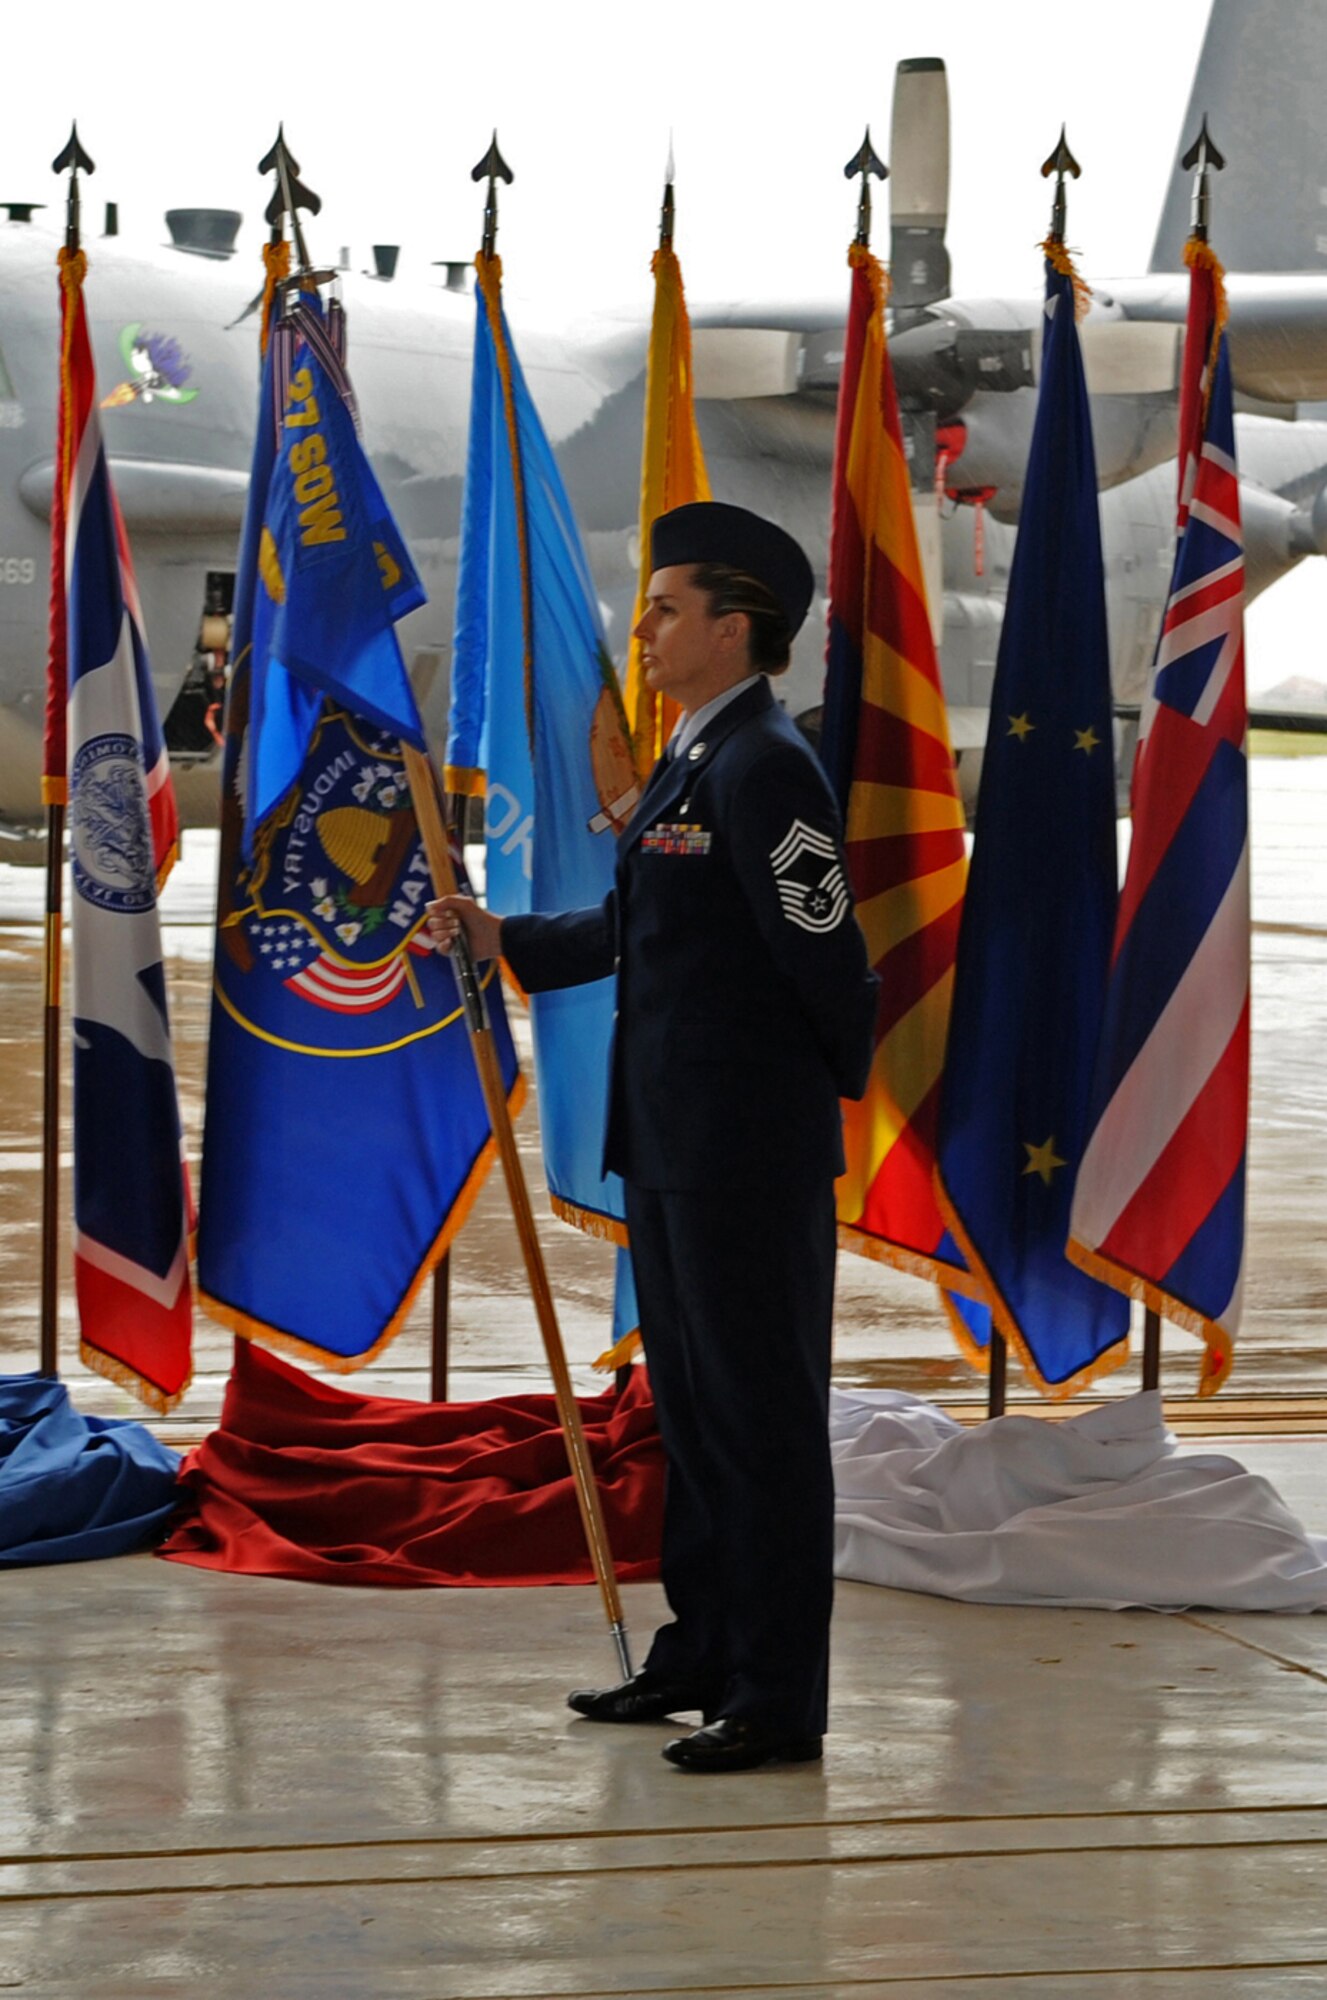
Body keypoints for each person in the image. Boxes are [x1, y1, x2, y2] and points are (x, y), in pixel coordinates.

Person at [427, 501, 877, 1773]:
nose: (646, 629)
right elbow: (640, 925)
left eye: (668, 609)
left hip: (742, 1153)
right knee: (690, 1411)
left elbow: (827, 958)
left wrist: (789, 1107)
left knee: (763, 1422)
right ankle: (703, 1652)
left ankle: (777, 1698)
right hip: (674, 1142)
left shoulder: (767, 765)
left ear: (734, 630)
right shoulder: (689, 756)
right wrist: (500, 935)